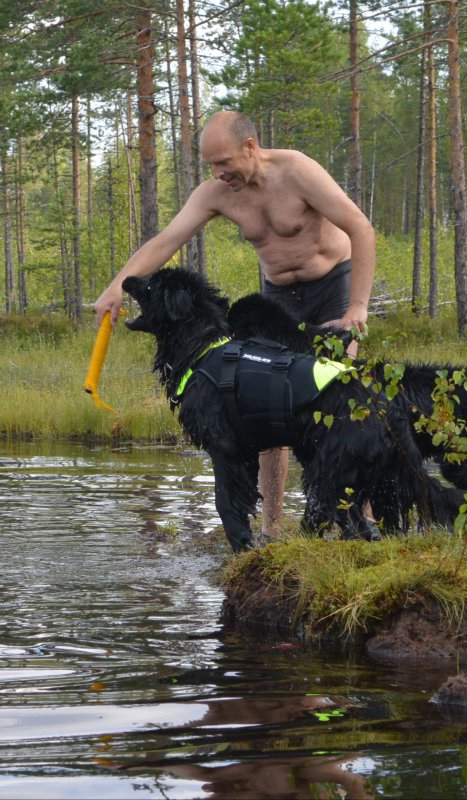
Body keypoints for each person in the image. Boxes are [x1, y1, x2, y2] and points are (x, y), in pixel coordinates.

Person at [95, 110, 376, 538]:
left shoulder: (297, 171)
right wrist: (118, 284)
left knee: (339, 407)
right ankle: (272, 526)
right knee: (263, 407)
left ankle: (363, 520)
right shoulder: (216, 194)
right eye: (210, 164)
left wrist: (358, 306)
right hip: (277, 299)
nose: (217, 173)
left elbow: (360, 227)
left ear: (250, 147)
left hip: (332, 289)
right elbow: (167, 241)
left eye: (223, 162)